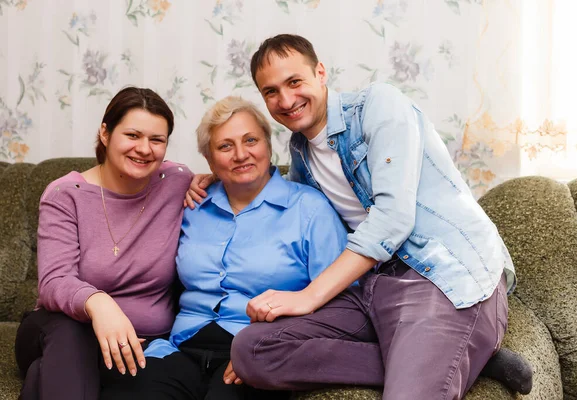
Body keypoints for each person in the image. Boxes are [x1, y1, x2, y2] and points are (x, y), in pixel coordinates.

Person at [188, 34, 533, 399]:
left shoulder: (378, 105)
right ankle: (462, 359)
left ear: (320, 73)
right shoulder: (301, 152)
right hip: (374, 286)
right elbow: (287, 202)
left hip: (442, 276)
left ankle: (448, 353)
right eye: (271, 91)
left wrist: (308, 296)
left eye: (294, 82)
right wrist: (219, 176)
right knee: (251, 350)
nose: (286, 100)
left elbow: (392, 220)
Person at [100, 96, 348, 400]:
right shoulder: (192, 204)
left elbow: (342, 305)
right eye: (225, 146)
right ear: (209, 159)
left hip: (259, 350)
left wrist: (270, 348)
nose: (241, 154)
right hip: (179, 349)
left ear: (269, 146)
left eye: (251, 140)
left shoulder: (310, 209)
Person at [14, 87, 194, 400]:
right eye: (133, 135)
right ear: (105, 133)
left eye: (157, 140)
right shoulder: (65, 194)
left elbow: (234, 177)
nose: (144, 149)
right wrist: (99, 304)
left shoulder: (177, 182)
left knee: (44, 376)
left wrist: (210, 180)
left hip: (138, 346)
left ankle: (42, 376)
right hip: (58, 330)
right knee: (72, 330)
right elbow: (54, 281)